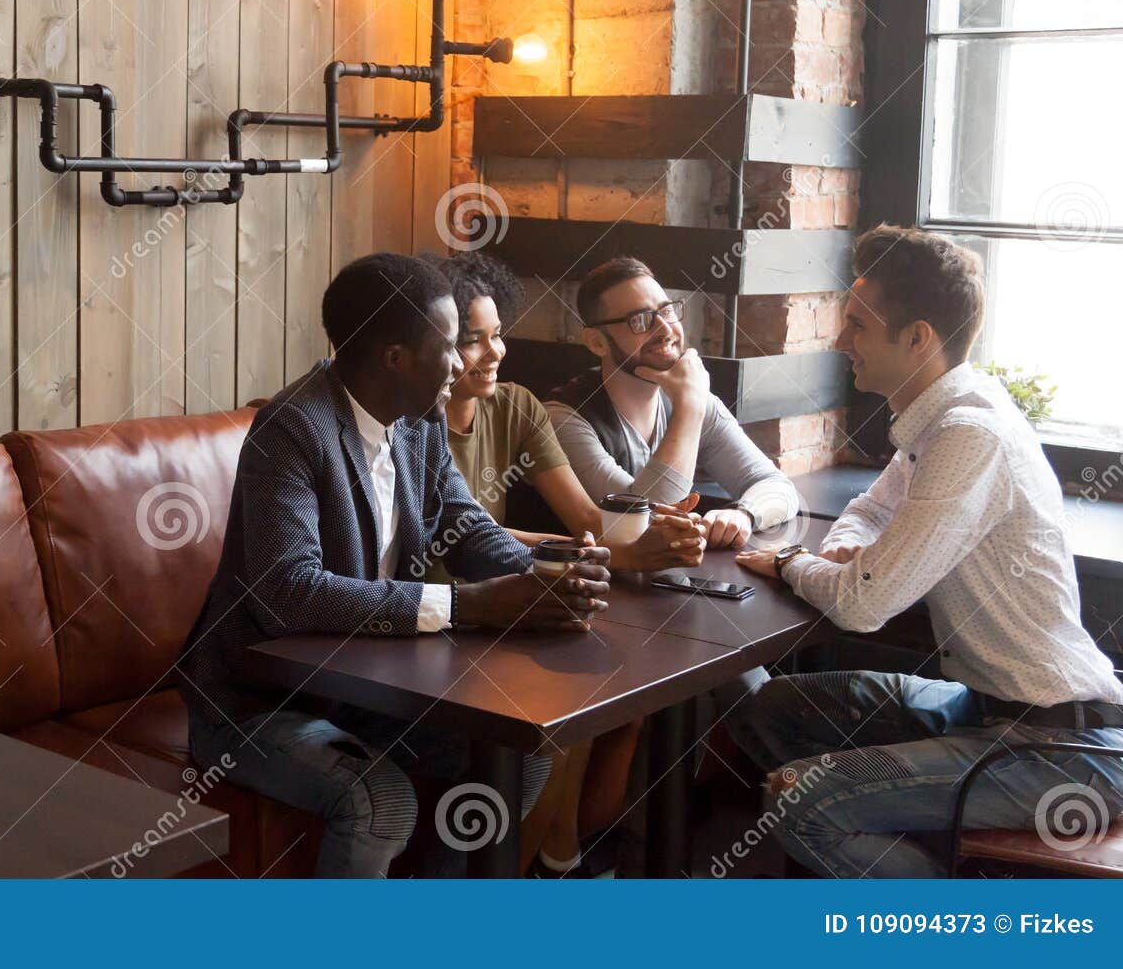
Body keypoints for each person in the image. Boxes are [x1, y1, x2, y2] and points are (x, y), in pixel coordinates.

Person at [177, 252, 611, 878]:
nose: (462, 362)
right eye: (448, 345)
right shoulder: (293, 431)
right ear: (394, 357)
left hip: (367, 689)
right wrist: (469, 605)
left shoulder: (417, 417)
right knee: (381, 801)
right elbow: (289, 593)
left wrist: (544, 577)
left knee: (525, 751)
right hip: (260, 702)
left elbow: (463, 525)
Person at [729, 226, 1123, 877]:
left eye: (857, 323)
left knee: (801, 800)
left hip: (1060, 746)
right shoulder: (947, 413)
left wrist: (788, 563)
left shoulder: (969, 432)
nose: (838, 339)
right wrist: (848, 548)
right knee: (773, 707)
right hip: (986, 707)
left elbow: (861, 605)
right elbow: (870, 509)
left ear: (917, 338)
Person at [429, 251, 707, 876]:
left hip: (507, 600)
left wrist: (643, 550)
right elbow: (471, 529)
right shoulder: (416, 420)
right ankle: (551, 871)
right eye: (473, 341)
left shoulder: (518, 407)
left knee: (596, 690)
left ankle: (559, 865)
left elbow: (588, 521)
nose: (493, 351)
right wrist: (627, 552)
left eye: (497, 334)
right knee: (561, 708)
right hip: (451, 610)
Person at [543, 256, 799, 550]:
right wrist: (689, 407)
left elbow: (778, 487)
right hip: (578, 589)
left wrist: (745, 514)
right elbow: (640, 528)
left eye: (666, 311)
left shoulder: (691, 398)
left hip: (657, 586)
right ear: (597, 342)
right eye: (640, 320)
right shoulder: (563, 419)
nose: (665, 329)